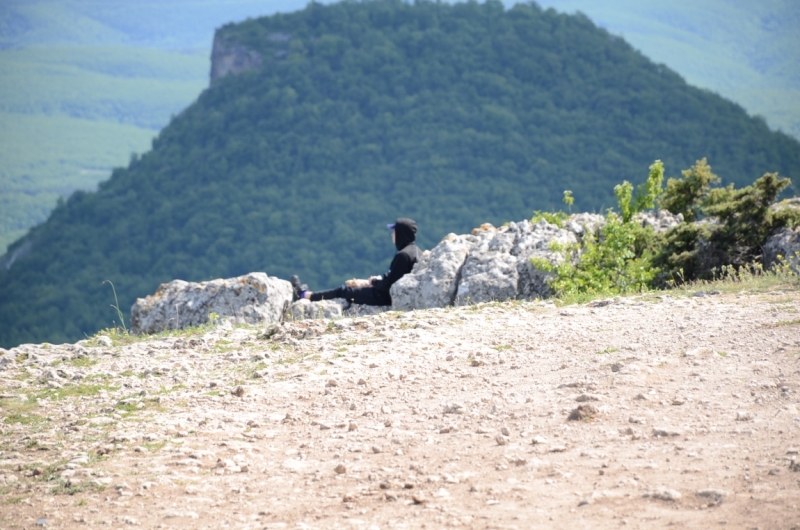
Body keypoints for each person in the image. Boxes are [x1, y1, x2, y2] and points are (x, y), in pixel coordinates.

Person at [291, 218, 421, 307]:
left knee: (344, 291)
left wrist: (374, 282)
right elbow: (397, 277)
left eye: (395, 231)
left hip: (384, 297)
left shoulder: (403, 255)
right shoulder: (415, 251)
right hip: (389, 294)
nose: (392, 234)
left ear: (401, 234)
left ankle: (304, 295)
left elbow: (389, 285)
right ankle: (307, 294)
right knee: (350, 289)